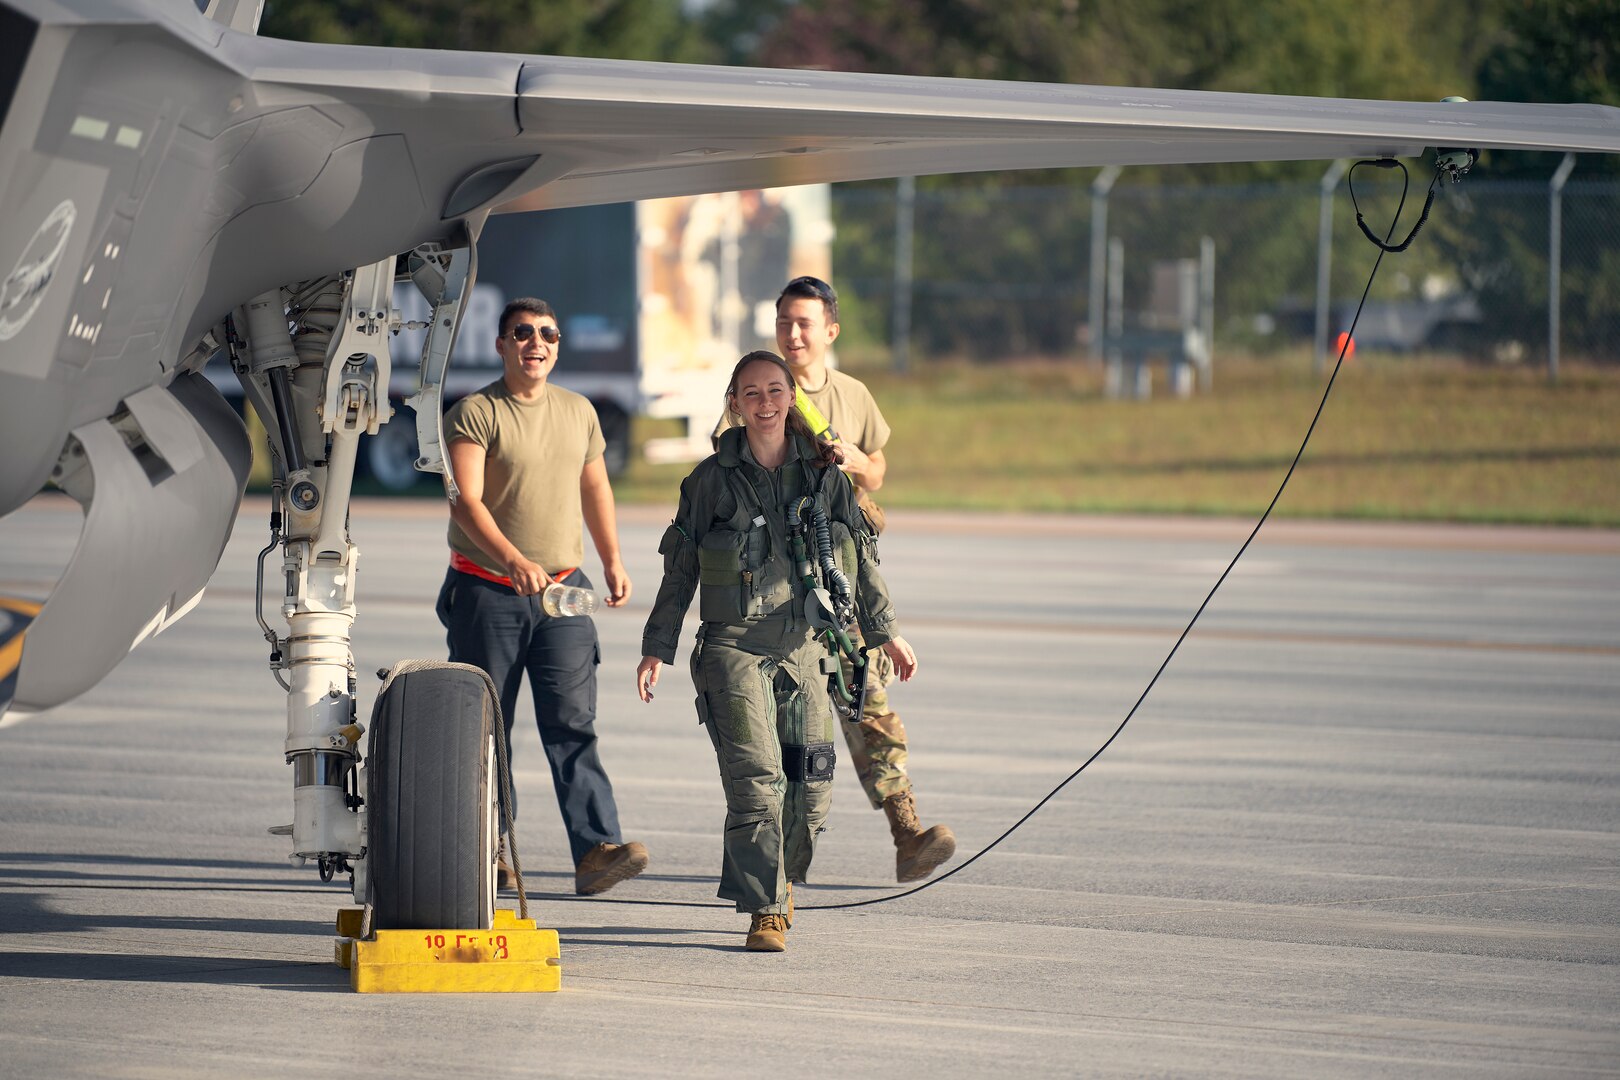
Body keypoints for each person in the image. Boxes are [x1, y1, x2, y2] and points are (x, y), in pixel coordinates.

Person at [637, 351, 919, 952]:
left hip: (807, 646)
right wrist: (657, 646)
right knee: (759, 781)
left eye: (774, 391)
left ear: (792, 399)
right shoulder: (709, 481)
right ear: (734, 404)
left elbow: (864, 559)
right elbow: (681, 568)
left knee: (811, 785)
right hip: (733, 647)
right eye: (751, 394)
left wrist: (886, 629)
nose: (764, 404)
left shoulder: (826, 478)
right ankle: (765, 908)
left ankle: (782, 882)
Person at [716, 275, 956, 883]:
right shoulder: (762, 389)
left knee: (867, 698)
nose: (792, 334)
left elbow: (876, 469)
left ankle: (907, 830)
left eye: (804, 323)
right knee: (775, 730)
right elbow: (728, 460)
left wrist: (850, 459)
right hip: (774, 586)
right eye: (783, 323)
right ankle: (768, 852)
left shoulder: (851, 394)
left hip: (840, 579)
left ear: (830, 330)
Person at [437, 297, 648, 897]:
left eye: (548, 334)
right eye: (523, 333)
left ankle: (596, 851)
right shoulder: (476, 413)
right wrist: (512, 560)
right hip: (488, 593)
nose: (537, 343)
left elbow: (596, 488)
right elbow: (465, 501)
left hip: (564, 596)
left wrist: (611, 560)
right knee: (485, 730)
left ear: (558, 345)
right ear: (501, 344)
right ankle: (487, 853)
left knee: (572, 723)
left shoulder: (578, 411)